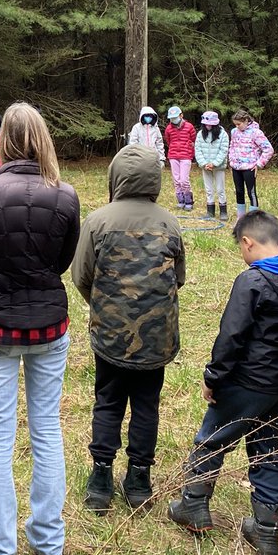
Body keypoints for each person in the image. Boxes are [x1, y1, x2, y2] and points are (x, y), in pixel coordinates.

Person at [0, 103, 81, 555]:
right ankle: (48, 544)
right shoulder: (65, 195)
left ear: (4, 139)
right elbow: (63, 259)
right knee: (46, 431)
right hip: (46, 326)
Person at [168, 211, 278, 555]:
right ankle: (266, 531)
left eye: (241, 248)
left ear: (248, 242)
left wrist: (213, 377)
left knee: (212, 441)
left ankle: (193, 506)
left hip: (246, 382)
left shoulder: (252, 281)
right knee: (269, 451)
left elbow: (231, 336)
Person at [73, 144, 185, 514]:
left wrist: (104, 307)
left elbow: (81, 275)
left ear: (115, 176)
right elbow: (178, 278)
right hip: (157, 336)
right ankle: (139, 478)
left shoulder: (98, 220)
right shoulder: (170, 222)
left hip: (110, 333)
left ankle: (100, 478)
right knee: (146, 405)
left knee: (107, 402)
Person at [228, 108, 273, 216]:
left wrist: (259, 163)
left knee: (251, 192)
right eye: (235, 124)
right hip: (236, 167)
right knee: (239, 191)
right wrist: (231, 161)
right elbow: (232, 147)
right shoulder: (234, 132)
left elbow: (268, 149)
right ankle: (241, 217)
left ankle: (253, 218)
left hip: (250, 167)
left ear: (246, 121)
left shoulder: (256, 133)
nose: (237, 126)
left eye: (239, 124)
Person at [194, 110, 229, 220]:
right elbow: (197, 149)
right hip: (205, 166)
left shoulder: (223, 134)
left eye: (210, 124)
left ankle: (223, 211)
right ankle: (210, 211)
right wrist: (204, 163)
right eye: (206, 124)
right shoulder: (200, 134)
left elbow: (223, 151)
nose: (208, 126)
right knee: (209, 189)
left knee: (220, 189)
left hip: (218, 167)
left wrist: (214, 163)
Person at [164, 106, 197, 210]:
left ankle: (188, 200)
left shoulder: (189, 126)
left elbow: (193, 140)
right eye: (171, 118)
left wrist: (189, 151)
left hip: (186, 156)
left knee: (184, 180)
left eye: (175, 117)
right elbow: (168, 141)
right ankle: (180, 200)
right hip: (173, 156)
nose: (173, 119)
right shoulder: (168, 128)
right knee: (176, 180)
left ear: (181, 115)